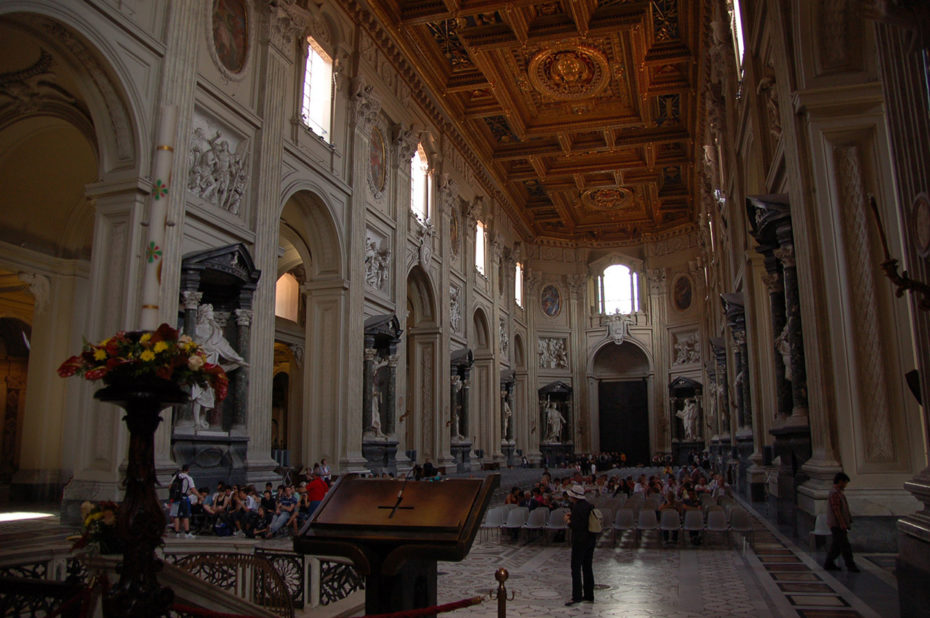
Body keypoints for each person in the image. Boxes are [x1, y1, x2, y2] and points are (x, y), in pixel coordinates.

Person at [190, 303, 248, 429]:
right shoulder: (195, 328)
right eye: (209, 312)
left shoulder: (215, 331)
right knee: (198, 395)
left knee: (209, 395)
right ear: (204, 314)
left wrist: (238, 359)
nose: (211, 314)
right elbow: (188, 343)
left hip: (212, 367)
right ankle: (195, 422)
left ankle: (202, 418)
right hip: (198, 366)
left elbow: (225, 348)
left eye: (212, 312)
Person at [563, 484, 596, 606]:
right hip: (590, 540)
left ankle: (576, 596)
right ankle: (589, 595)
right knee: (587, 567)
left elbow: (576, 526)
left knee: (576, 568)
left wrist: (568, 521)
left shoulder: (577, 507)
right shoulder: (589, 505)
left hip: (580, 541)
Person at [824, 472, 859, 572]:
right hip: (837, 524)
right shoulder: (835, 493)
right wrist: (842, 523)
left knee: (837, 546)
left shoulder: (838, 493)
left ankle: (829, 563)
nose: (845, 485)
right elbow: (837, 510)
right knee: (845, 546)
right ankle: (850, 565)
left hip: (838, 524)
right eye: (845, 483)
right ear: (840, 481)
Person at [171, 464, 196, 538]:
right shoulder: (188, 478)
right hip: (184, 498)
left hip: (176, 498)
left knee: (176, 516)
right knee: (186, 515)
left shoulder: (176, 476)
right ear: (188, 470)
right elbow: (193, 489)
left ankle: (177, 532)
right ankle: (187, 532)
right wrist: (199, 496)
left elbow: (170, 486)